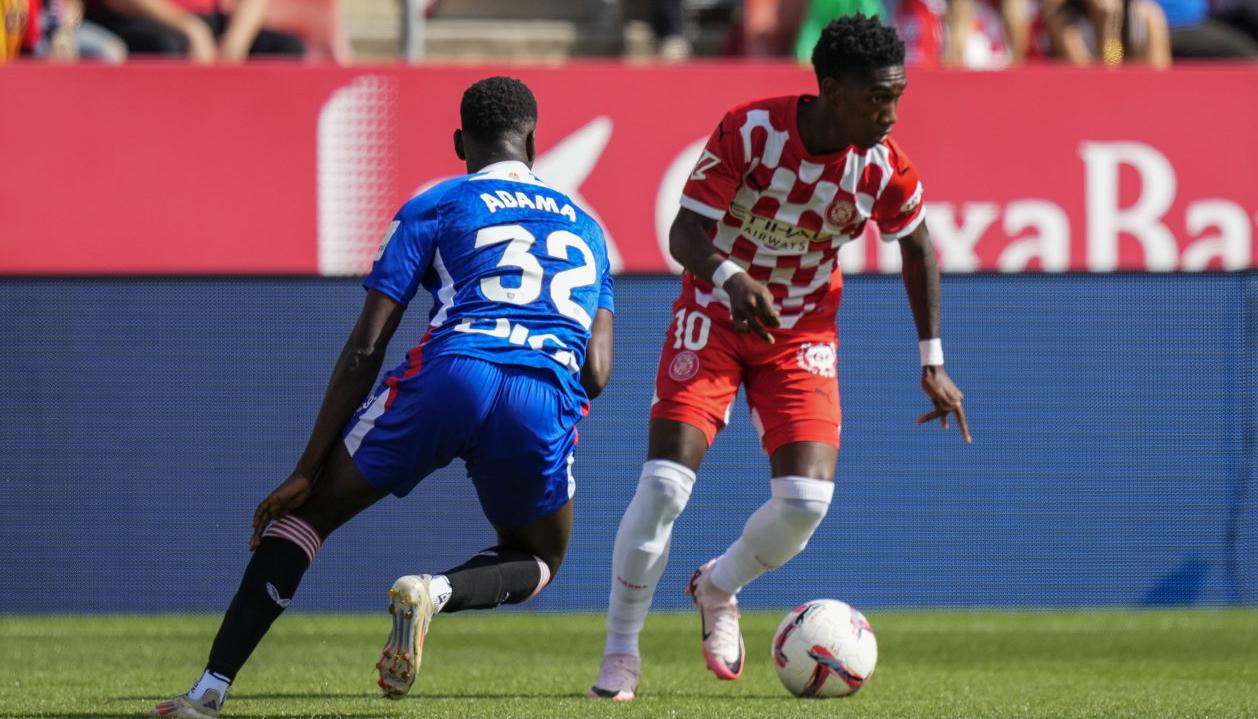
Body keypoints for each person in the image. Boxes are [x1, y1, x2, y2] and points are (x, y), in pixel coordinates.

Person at [152, 76, 616, 718]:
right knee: (538, 556)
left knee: (307, 516)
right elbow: (597, 371)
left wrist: (305, 470)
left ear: (460, 142)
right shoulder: (589, 231)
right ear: (534, 141)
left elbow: (367, 346)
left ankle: (209, 692)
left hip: (454, 372)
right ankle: (435, 592)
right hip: (541, 391)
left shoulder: (437, 204)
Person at [587, 13, 969, 702]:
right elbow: (685, 232)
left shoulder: (882, 166)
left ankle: (718, 585)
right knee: (666, 484)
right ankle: (620, 655)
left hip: (801, 334)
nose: (889, 113)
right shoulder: (752, 131)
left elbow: (917, 246)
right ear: (828, 86)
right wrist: (732, 278)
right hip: (714, 313)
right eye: (875, 97)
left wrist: (932, 358)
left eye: (897, 95)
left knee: (805, 500)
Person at [84, 0, 303, 62]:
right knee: (165, 46)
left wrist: (236, 41)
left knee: (284, 49)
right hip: (139, 18)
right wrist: (189, 27)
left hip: (208, 23)